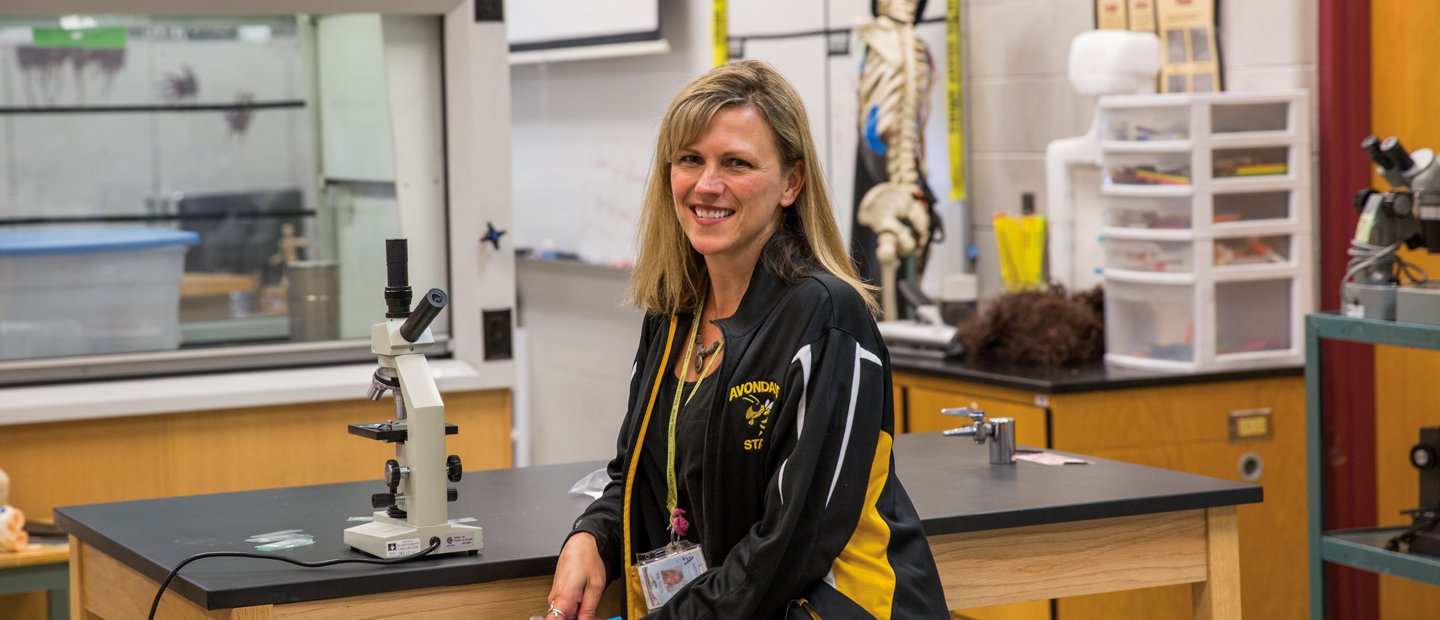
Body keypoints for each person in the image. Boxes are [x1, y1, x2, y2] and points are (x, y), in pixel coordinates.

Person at [546, 60, 948, 620]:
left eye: (736, 163)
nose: (707, 185)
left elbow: (793, 544)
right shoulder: (673, 315)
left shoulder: (826, 316)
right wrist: (593, 536)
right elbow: (636, 474)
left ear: (791, 182)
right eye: (690, 159)